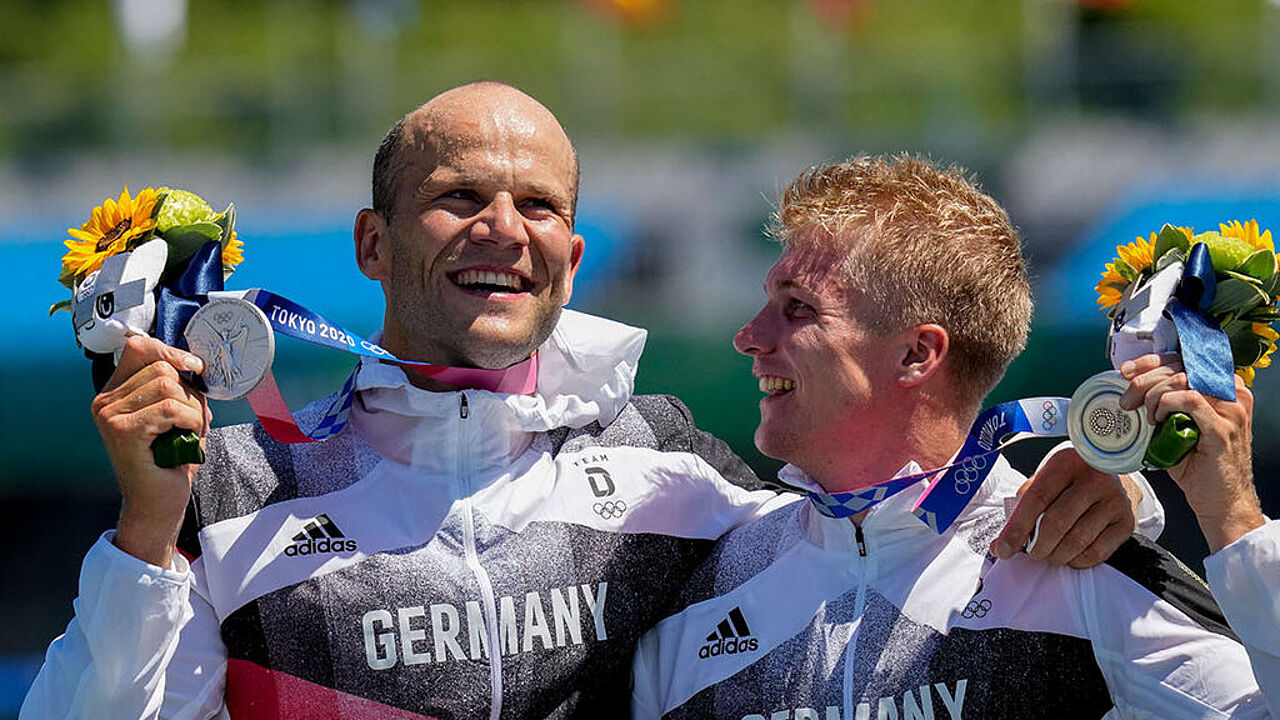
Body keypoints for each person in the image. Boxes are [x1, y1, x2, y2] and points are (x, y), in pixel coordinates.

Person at [24, 86, 1150, 720]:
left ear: (568, 251)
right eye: (457, 197)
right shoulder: (228, 486)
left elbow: (884, 514)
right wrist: (139, 538)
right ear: (369, 242)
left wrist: (1107, 488)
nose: (501, 227)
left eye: (535, 203)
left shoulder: (673, 467)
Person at [632, 155, 1279, 719]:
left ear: (917, 355)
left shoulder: (1079, 570)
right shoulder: (701, 578)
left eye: (797, 308)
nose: (749, 335)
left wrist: (1237, 522)